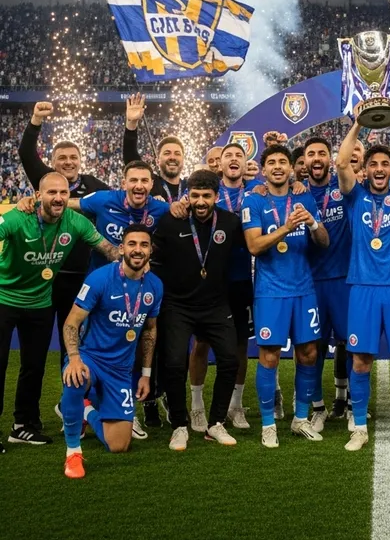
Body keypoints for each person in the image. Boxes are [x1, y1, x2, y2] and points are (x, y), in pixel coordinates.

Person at [0, 173, 118, 446]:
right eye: (51, 192)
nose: (58, 198)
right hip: (5, 299)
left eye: (63, 193)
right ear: (38, 196)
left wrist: (133, 260)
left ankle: (23, 425)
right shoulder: (19, 218)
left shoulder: (74, 222)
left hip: (40, 303)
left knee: (34, 367)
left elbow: (105, 247)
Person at [334, 102, 390, 452]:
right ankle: (358, 428)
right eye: (374, 164)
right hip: (363, 288)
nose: (380, 168)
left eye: (386, 164)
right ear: (366, 170)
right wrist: (357, 123)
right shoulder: (354, 198)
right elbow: (341, 163)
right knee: (360, 360)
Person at [242, 145, 330, 448]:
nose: (278, 167)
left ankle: (300, 419)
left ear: (292, 168)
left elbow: (323, 241)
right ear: (263, 170)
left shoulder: (303, 196)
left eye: (283, 162)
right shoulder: (252, 200)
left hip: (304, 290)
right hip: (270, 293)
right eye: (271, 163)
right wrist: (287, 227)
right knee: (269, 356)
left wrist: (313, 223)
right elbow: (254, 246)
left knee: (309, 354)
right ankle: (268, 424)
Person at [150, 170, 242, 450]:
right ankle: (179, 424)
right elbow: (155, 259)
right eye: (195, 195)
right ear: (187, 195)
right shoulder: (170, 220)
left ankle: (215, 423)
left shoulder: (229, 221)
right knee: (175, 364)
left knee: (229, 360)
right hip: (178, 305)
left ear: (216, 196)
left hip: (216, 304)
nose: (200, 201)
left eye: (206, 196)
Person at [59, 225, 162, 478]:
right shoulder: (99, 279)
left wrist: (146, 374)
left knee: (118, 446)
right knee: (76, 378)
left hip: (120, 370)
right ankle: (73, 453)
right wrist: (74, 359)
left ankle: (85, 409)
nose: (138, 250)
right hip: (90, 358)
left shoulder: (155, 286)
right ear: (121, 248)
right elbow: (71, 322)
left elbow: (149, 330)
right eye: (132, 244)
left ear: (150, 251)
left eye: (144, 245)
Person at [17, 101, 110, 370]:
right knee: (37, 343)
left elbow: (120, 201)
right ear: (53, 162)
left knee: (75, 343)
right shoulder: (45, 180)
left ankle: (70, 400)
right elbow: (25, 152)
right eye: (62, 158)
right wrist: (36, 119)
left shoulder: (94, 185)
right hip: (44, 277)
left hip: (81, 278)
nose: (68, 162)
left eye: (73, 158)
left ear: (81, 161)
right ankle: (29, 410)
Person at [188, 144, 253, 432]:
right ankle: (197, 406)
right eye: (229, 156)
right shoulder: (209, 194)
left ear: (246, 163)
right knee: (201, 343)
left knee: (240, 345)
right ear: (220, 165)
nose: (234, 159)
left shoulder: (256, 191)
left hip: (241, 279)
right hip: (211, 280)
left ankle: (235, 406)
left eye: (239, 155)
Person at [303, 136, 353, 430]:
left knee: (351, 345)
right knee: (313, 349)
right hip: (311, 283)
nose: (317, 158)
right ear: (305, 161)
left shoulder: (343, 188)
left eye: (323, 153)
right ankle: (318, 407)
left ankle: (351, 405)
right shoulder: (296, 194)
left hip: (345, 281)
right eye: (312, 154)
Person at [123, 93, 187, 202]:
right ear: (157, 161)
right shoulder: (150, 184)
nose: (172, 157)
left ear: (183, 160)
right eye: (167, 153)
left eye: (177, 153)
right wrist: (132, 123)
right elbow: (130, 157)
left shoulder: (190, 187)